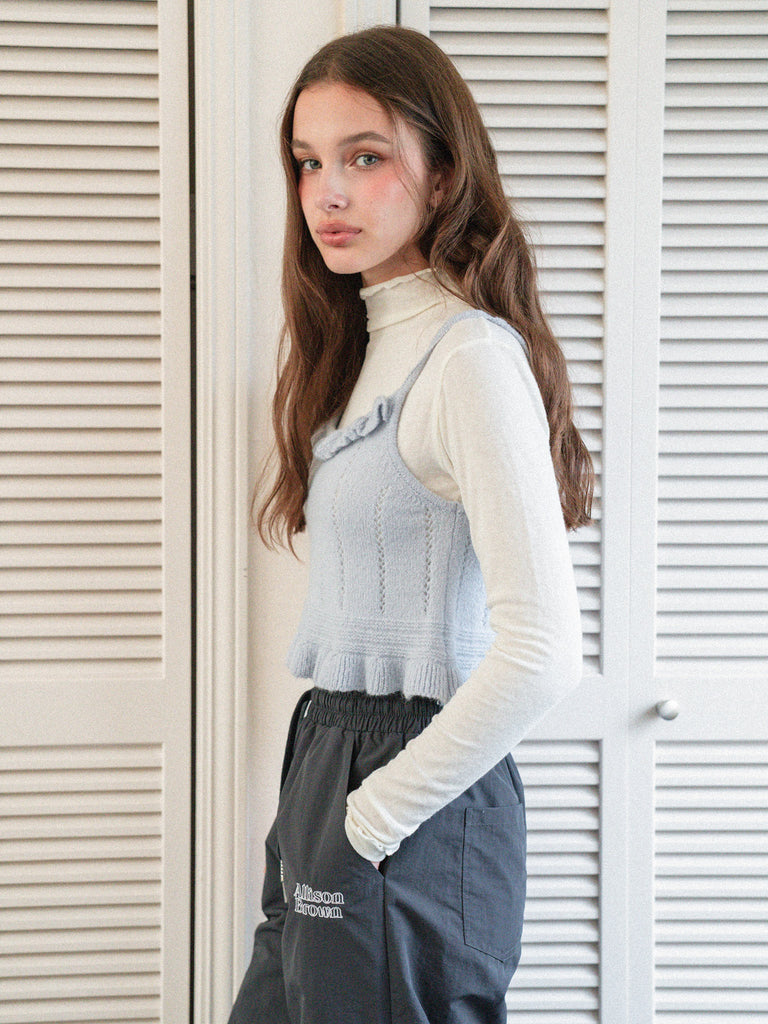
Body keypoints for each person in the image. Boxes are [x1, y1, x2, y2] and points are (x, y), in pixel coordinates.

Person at [230, 23, 594, 1024]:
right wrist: (327, 809)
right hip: (330, 755)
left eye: (365, 157)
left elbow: (545, 652)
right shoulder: (361, 350)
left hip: (403, 789)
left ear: (443, 176)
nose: (327, 194)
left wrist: (368, 818)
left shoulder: (467, 358)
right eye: (309, 162)